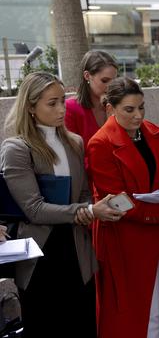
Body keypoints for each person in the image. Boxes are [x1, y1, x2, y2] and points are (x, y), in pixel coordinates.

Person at [0, 72, 123, 337]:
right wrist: (88, 211)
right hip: (41, 254)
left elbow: (82, 193)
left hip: (78, 250)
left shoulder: (75, 142)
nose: (61, 109)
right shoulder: (17, 149)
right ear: (31, 107)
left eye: (62, 101)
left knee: (84, 324)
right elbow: (34, 209)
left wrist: (96, 207)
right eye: (51, 103)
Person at [87, 77, 159, 338]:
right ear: (110, 109)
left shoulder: (153, 131)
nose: (138, 115)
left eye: (141, 107)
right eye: (129, 109)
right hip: (125, 240)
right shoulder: (100, 144)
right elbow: (117, 202)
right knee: (134, 313)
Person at [65, 50, 118, 148]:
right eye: (105, 80)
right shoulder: (70, 108)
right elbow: (72, 152)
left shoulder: (117, 105)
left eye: (114, 80)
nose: (111, 86)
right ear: (87, 76)